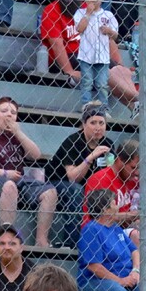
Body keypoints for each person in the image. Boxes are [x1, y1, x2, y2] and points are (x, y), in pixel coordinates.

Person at [0, 97, 59, 250]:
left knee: (50, 192)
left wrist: (19, 133)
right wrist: (4, 173)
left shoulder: (16, 137)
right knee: (9, 185)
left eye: (13, 113)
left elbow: (35, 155)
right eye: (4, 111)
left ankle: (41, 240)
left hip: (19, 181)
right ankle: (7, 236)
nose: (9, 115)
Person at [40, 0, 141, 112]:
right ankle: (140, 98)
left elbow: (107, 38)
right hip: (69, 56)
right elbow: (57, 44)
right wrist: (69, 71)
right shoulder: (51, 10)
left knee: (117, 69)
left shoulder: (88, 7)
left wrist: (120, 65)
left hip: (92, 53)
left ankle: (134, 106)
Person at [47, 104, 115, 248]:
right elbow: (72, 177)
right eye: (93, 123)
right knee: (76, 190)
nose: (98, 127)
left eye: (101, 123)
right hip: (58, 183)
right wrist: (90, 157)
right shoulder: (72, 142)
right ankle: (73, 242)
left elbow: (110, 173)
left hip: (90, 186)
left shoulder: (108, 145)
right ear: (84, 125)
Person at [78, 187, 142, 291]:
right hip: (94, 281)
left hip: (126, 276)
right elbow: (94, 266)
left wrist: (135, 271)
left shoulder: (115, 228)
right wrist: (120, 281)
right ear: (105, 209)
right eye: (114, 202)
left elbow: (134, 251)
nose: (118, 206)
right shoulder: (91, 230)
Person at [72, 0, 121, 105]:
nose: (94, 0)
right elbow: (79, 29)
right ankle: (86, 104)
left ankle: (103, 108)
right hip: (86, 55)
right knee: (87, 81)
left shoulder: (108, 15)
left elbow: (115, 35)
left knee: (102, 84)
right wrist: (88, 14)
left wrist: (109, 31)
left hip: (103, 56)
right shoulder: (81, 13)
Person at [81, 138, 138, 225]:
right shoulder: (101, 179)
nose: (137, 172)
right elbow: (102, 218)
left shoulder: (134, 180)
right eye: (133, 167)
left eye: (139, 168)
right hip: (101, 232)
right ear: (120, 160)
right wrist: (135, 215)